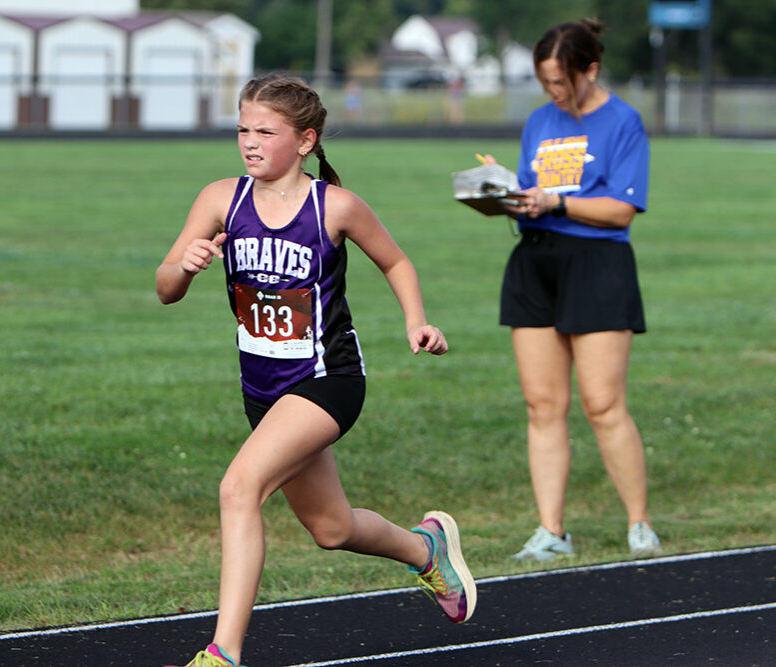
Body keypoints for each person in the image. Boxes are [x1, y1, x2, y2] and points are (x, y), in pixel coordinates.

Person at [156, 73, 476, 667]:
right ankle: (425, 548)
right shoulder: (219, 198)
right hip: (263, 391)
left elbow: (396, 261)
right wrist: (186, 265)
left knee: (238, 487)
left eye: (265, 132)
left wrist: (416, 321)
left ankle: (222, 652)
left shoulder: (335, 206)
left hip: (328, 381)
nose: (250, 142)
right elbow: (165, 288)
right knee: (331, 528)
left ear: (305, 141)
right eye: (242, 129)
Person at [481, 19, 662, 562]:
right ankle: (551, 531)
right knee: (542, 404)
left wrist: (556, 202)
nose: (554, 94)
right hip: (536, 261)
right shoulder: (540, 121)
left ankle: (639, 525)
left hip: (598, 262)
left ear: (590, 70)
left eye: (562, 82)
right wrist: (505, 194)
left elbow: (622, 210)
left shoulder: (623, 121)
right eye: (545, 84)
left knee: (603, 403)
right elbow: (531, 191)